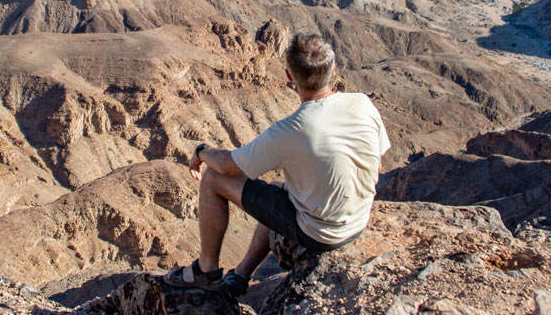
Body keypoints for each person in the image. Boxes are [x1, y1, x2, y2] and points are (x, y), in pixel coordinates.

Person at [163, 33, 391, 295]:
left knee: (214, 179)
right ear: (334, 69)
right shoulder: (362, 103)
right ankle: (240, 276)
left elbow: (226, 166)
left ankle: (205, 270)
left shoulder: (291, 130)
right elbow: (376, 164)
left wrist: (202, 151)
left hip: (322, 234)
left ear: (289, 76)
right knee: (276, 188)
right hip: (358, 220)